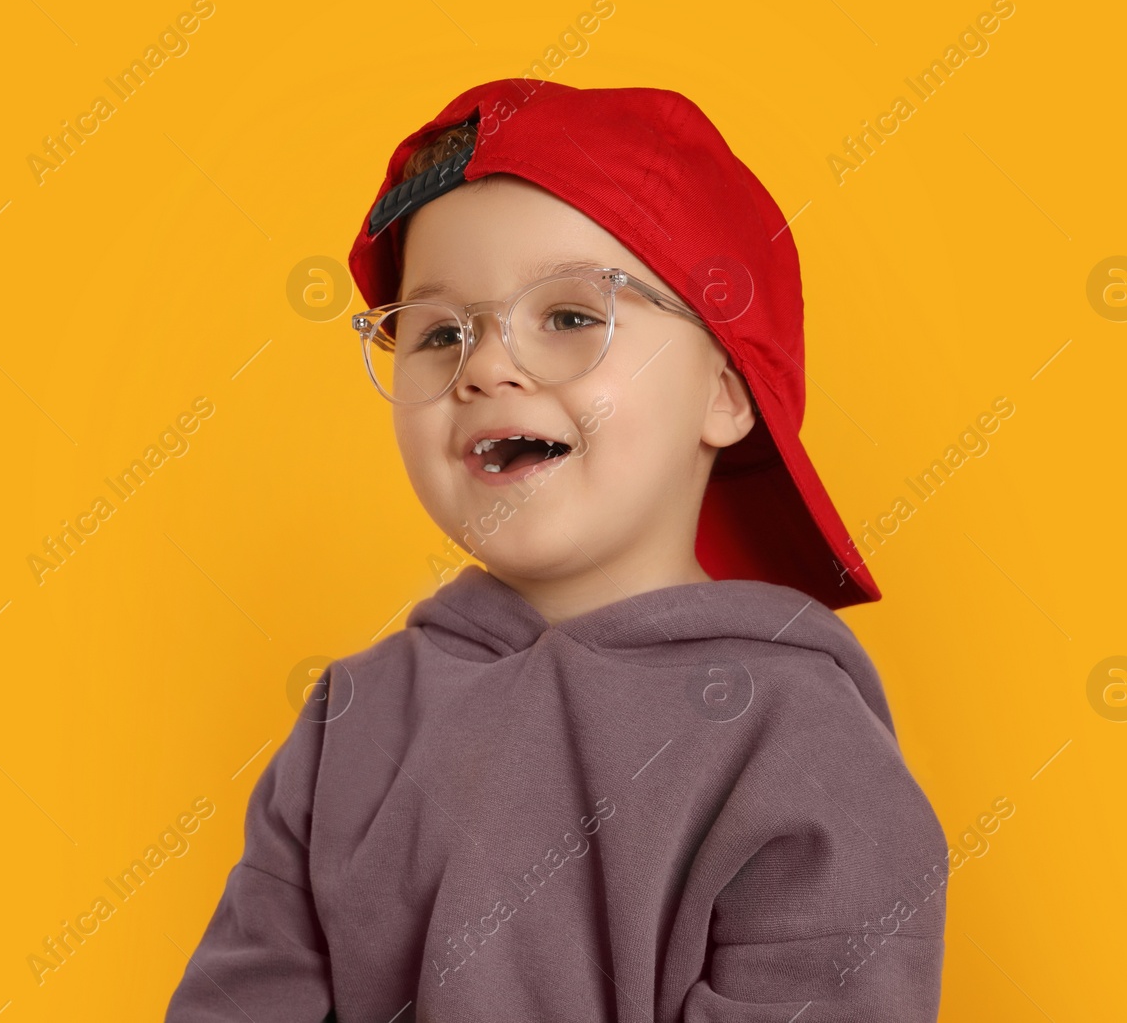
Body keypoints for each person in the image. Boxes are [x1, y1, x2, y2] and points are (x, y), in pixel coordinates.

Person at [163, 79, 948, 1022]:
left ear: (727, 392)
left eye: (572, 316)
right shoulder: (350, 721)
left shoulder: (803, 747)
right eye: (441, 331)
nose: (488, 365)